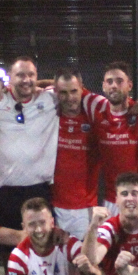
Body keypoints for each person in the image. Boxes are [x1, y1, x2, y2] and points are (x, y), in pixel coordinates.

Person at [0, 56, 57, 231]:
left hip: (39, 189)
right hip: (2, 191)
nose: (26, 80)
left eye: (31, 75)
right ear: (9, 77)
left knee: (40, 247)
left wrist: (38, 83)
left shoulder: (50, 99)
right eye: (20, 75)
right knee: (0, 250)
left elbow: (75, 87)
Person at [93, 61, 138, 215]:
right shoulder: (97, 115)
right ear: (103, 86)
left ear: (130, 85)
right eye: (110, 82)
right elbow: (65, 85)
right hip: (112, 199)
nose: (114, 85)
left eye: (120, 81)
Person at [51, 68, 101, 239]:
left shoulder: (94, 115)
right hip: (53, 205)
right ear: (56, 92)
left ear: (82, 89)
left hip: (84, 207)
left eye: (74, 91)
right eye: (63, 92)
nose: (69, 97)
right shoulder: (49, 113)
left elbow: (119, 107)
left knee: (84, 260)